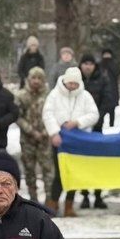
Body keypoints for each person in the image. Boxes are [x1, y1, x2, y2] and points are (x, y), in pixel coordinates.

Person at [43, 67, 98, 217]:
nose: (73, 86)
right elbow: (47, 114)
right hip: (60, 140)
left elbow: (94, 114)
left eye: (75, 83)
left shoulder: (85, 96)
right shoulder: (54, 95)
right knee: (59, 173)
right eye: (70, 83)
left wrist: (78, 122)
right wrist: (54, 133)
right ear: (65, 81)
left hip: (78, 140)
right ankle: (53, 205)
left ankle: (69, 206)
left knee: (74, 173)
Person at [15, 67, 52, 203]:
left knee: (48, 170)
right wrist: (31, 131)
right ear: (28, 79)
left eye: (39, 78)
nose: (36, 81)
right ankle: (33, 200)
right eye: (33, 78)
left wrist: (46, 131)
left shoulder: (49, 96)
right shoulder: (21, 95)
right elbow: (17, 116)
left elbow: (55, 115)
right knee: (29, 170)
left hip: (45, 138)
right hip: (27, 139)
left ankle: (49, 201)